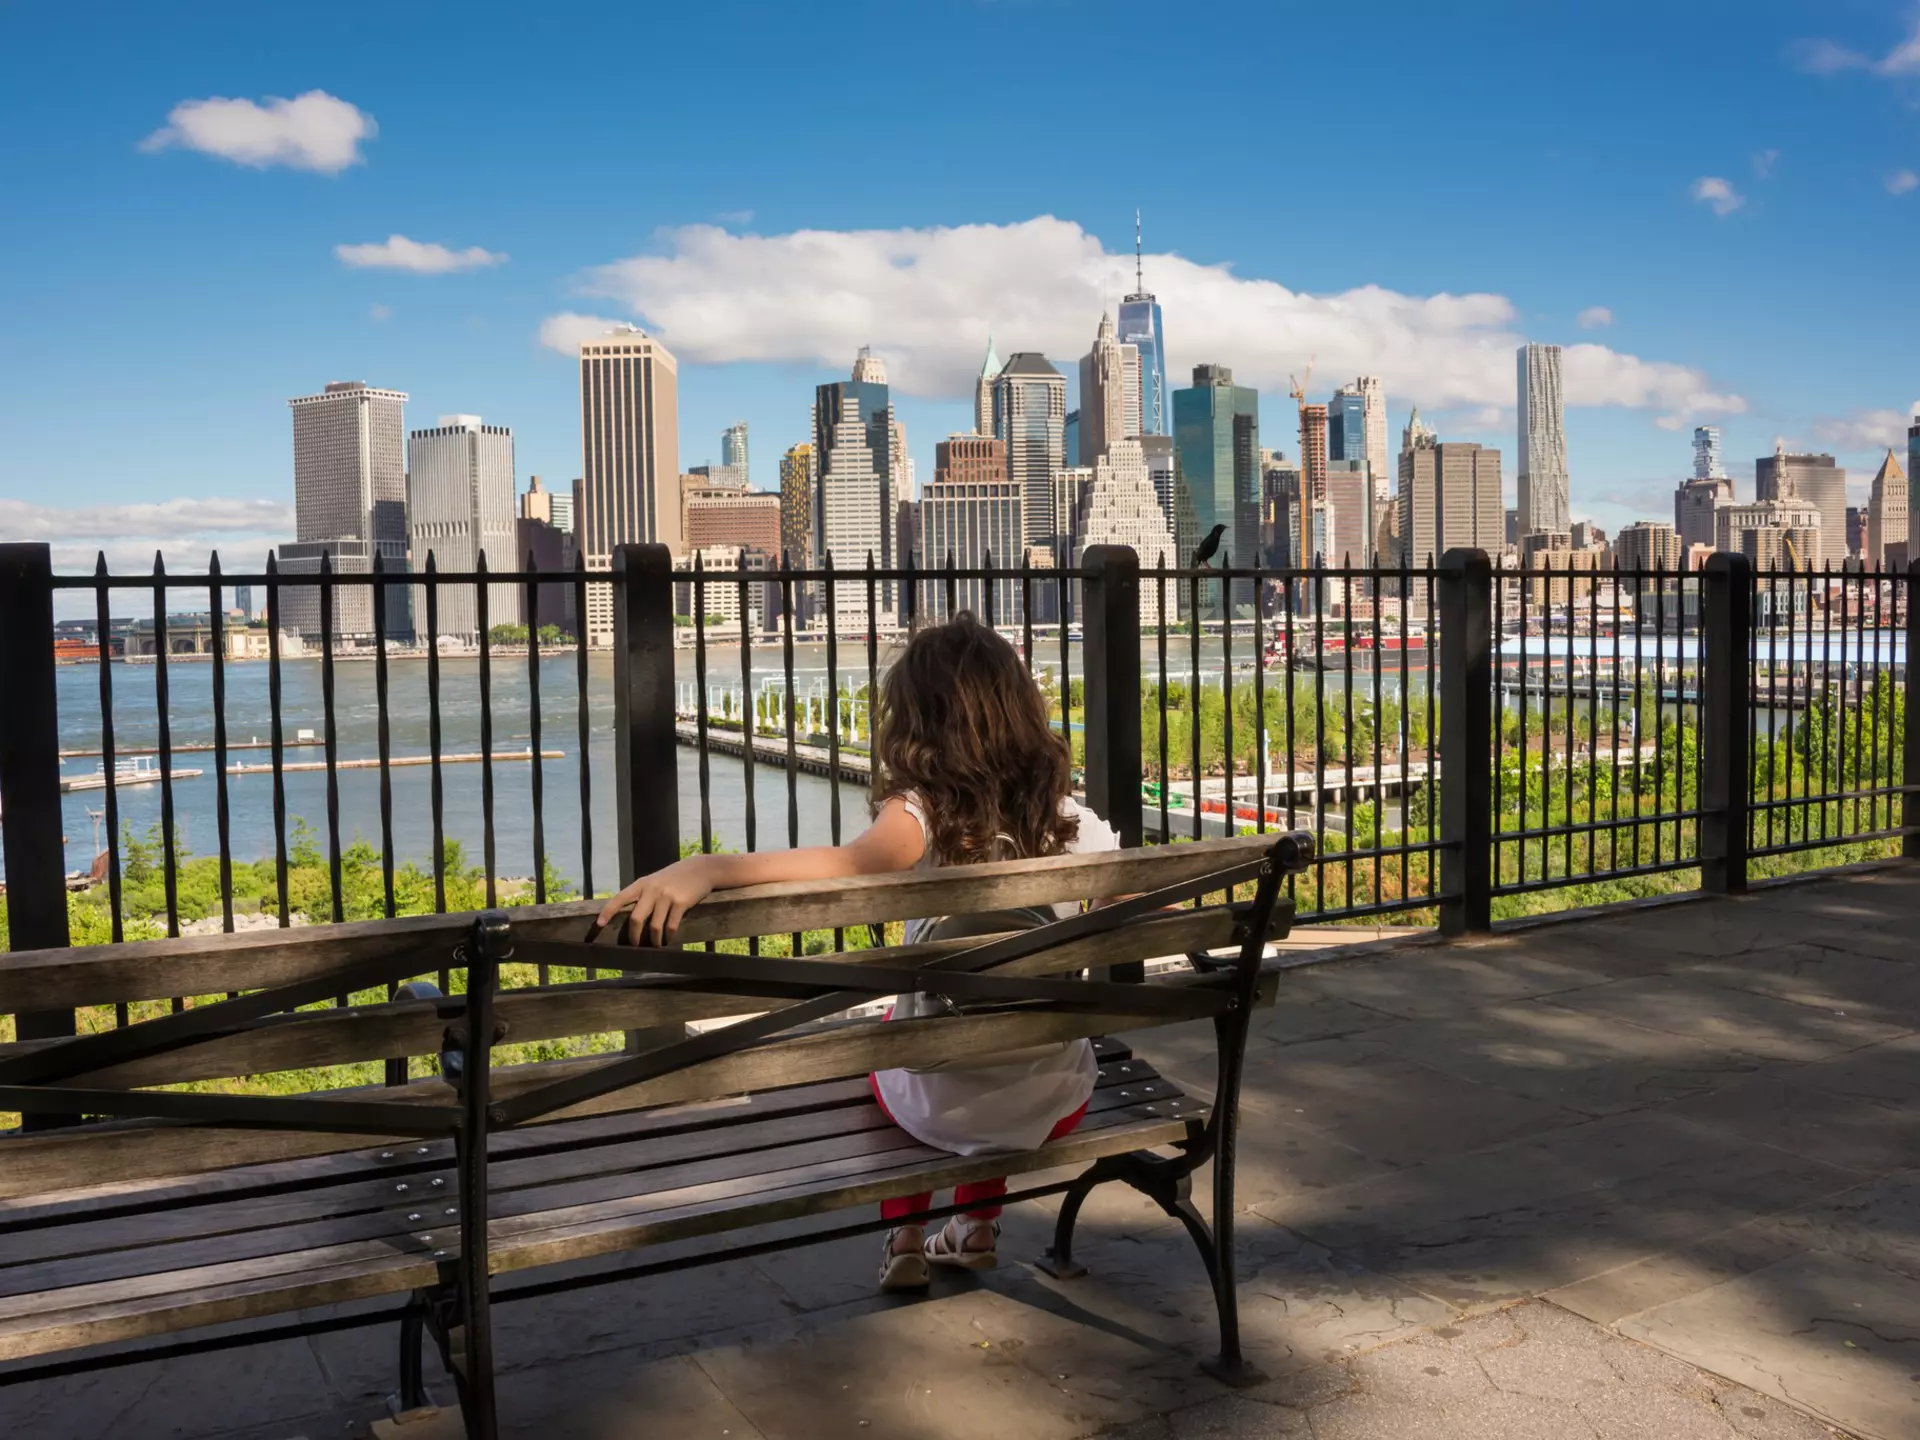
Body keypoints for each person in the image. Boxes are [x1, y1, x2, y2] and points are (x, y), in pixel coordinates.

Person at [596, 611, 1117, 1291]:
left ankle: (904, 1237)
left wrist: (711, 867)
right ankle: (977, 1225)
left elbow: (846, 863)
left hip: (941, 1100)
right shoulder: (1073, 821)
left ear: (917, 724)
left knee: (896, 1056)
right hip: (1051, 1095)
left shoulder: (920, 818)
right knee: (1003, 1042)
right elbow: (1146, 905)